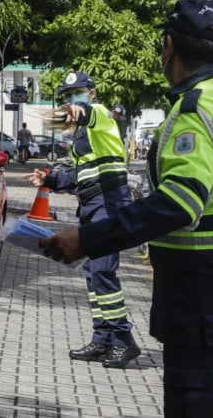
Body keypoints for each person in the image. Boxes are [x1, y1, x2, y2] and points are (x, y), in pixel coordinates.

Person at [38, 0, 213, 416]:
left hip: (204, 302)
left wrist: (88, 240)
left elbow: (177, 204)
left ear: (168, 46)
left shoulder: (196, 109)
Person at [24, 71, 140, 368]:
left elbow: (90, 113)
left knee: (102, 270)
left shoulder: (100, 115)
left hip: (109, 201)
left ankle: (123, 340)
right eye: (67, 95)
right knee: (92, 271)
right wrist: (48, 178)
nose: (70, 99)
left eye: (77, 93)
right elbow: (78, 175)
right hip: (90, 204)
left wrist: (81, 110)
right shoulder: (80, 137)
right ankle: (103, 339)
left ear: (91, 93)